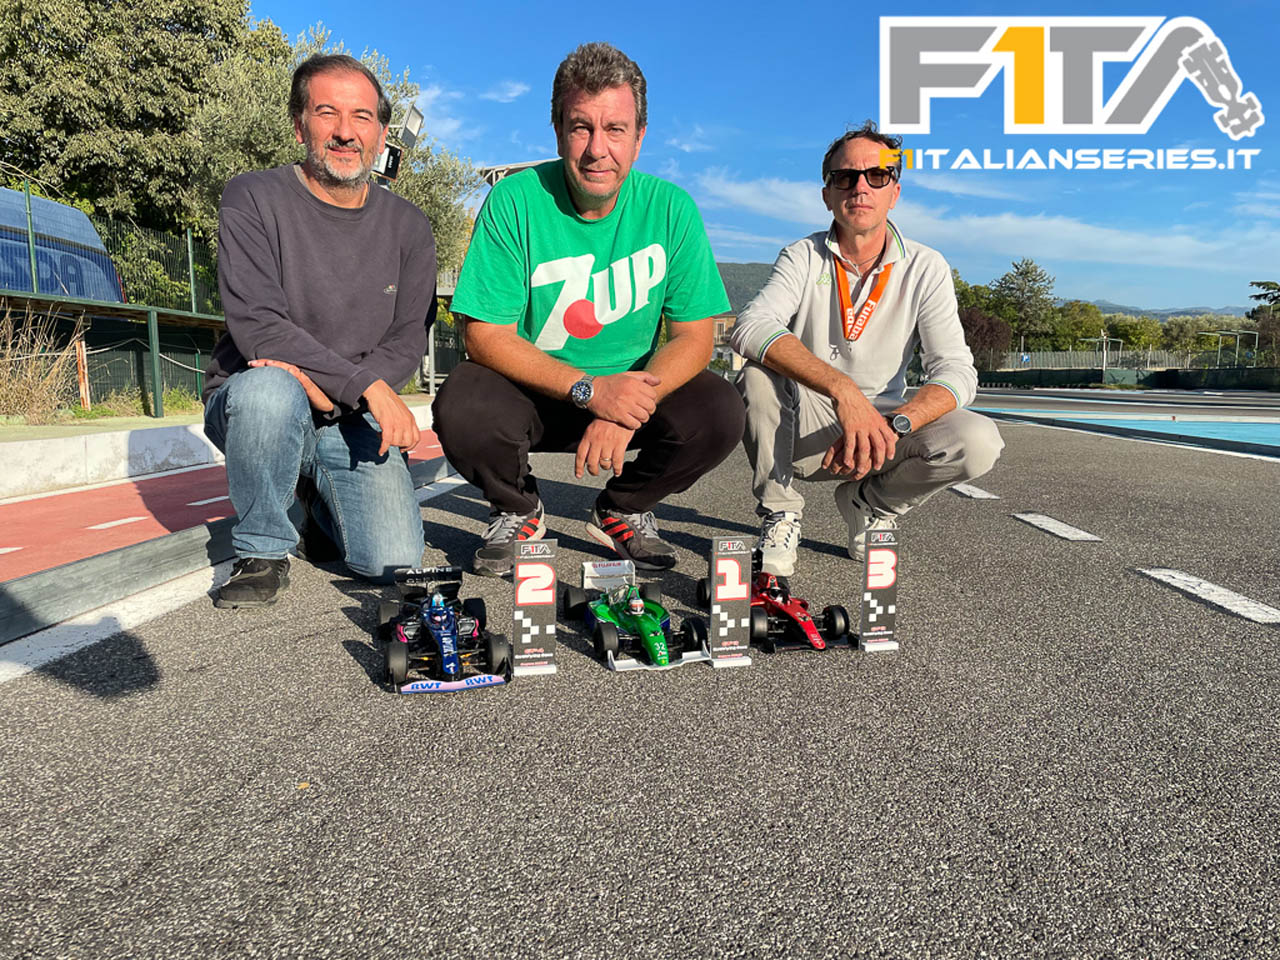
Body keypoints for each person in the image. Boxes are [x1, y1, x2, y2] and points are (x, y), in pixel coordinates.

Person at [433, 42, 744, 577]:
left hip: (631, 388)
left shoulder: (672, 209)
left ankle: (623, 507)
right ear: (558, 132)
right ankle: (519, 508)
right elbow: (483, 335)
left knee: (720, 411)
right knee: (462, 402)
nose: (598, 149)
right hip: (536, 389)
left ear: (639, 138)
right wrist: (592, 391)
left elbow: (693, 337)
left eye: (615, 129)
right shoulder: (514, 200)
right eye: (582, 127)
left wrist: (628, 405)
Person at [202, 54, 436, 608]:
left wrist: (338, 395)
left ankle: (311, 499)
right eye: (327, 112)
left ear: (381, 134)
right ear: (299, 125)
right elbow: (260, 325)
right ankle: (262, 550)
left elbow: (407, 339)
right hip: (267, 400)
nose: (345, 132)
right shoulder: (251, 197)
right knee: (269, 390)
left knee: (394, 562)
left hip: (347, 414)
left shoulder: (410, 226)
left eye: (362, 117)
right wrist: (365, 386)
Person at [730, 122, 1003, 576]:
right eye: (845, 177)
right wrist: (843, 390)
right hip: (809, 423)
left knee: (978, 441)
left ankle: (871, 502)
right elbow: (751, 325)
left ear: (894, 192)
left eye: (877, 176)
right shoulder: (802, 255)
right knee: (756, 375)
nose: (860, 187)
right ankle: (780, 513)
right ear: (827, 194)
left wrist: (898, 423)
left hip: (885, 431)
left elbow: (957, 370)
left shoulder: (926, 266)